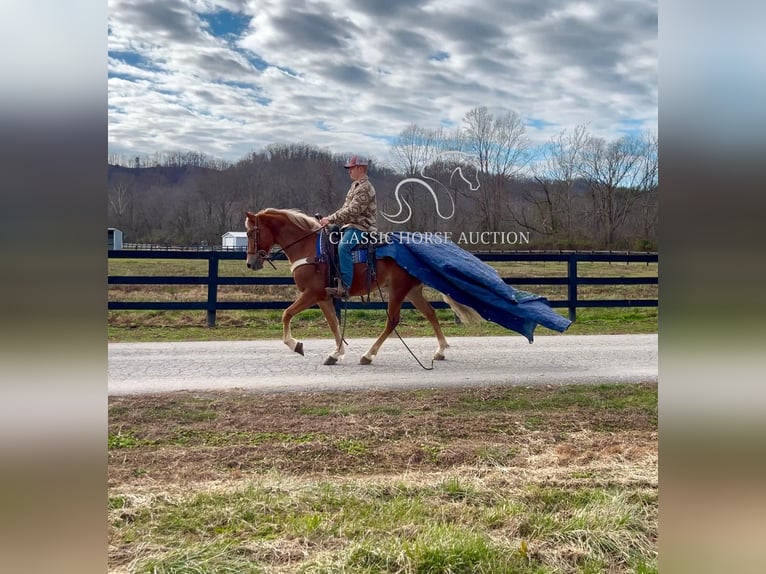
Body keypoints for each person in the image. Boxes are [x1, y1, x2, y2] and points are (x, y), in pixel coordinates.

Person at [319, 155, 377, 298]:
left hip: (362, 227)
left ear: (361, 169)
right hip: (350, 225)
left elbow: (353, 211)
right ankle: (334, 278)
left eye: (351, 168)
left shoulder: (365, 188)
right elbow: (345, 208)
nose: (349, 171)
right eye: (349, 169)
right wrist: (331, 221)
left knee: (343, 247)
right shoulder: (355, 186)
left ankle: (345, 286)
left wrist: (330, 218)